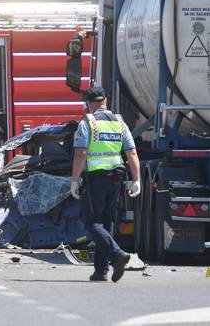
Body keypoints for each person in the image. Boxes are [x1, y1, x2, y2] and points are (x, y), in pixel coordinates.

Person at [70, 86, 141, 283]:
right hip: (116, 178)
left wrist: (74, 180)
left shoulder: (88, 121)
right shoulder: (120, 122)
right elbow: (132, 153)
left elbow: (81, 152)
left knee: (91, 222)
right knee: (106, 223)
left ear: (89, 104)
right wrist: (137, 180)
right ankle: (101, 271)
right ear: (105, 101)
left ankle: (117, 255)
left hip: (96, 179)